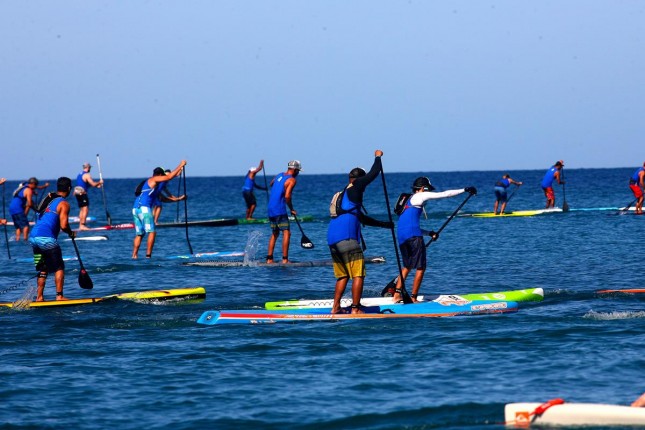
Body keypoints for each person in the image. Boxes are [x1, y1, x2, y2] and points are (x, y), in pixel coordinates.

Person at [327, 150, 393, 314]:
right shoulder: (357, 186)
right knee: (358, 275)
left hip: (332, 238)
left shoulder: (343, 194)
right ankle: (356, 309)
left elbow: (361, 219)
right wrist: (378, 157)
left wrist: (385, 225)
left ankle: (335, 307)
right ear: (358, 179)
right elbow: (374, 173)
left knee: (343, 276)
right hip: (347, 239)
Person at [392, 177, 476, 303]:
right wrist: (464, 190)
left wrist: (429, 233)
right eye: (428, 189)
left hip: (402, 237)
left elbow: (410, 226)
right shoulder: (420, 196)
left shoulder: (408, 201)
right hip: (413, 237)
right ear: (423, 188)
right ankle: (413, 298)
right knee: (421, 268)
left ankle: (397, 295)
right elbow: (445, 194)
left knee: (407, 266)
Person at [28, 177, 75, 301]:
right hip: (46, 238)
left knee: (43, 268)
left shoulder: (47, 199)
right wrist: (71, 233)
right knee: (59, 267)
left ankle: (39, 297)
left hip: (33, 238)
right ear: (69, 188)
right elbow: (64, 225)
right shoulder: (64, 203)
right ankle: (59, 296)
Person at [132, 161, 187, 259]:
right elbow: (169, 177)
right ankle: (148, 257)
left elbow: (163, 199)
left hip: (135, 209)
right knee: (152, 232)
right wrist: (180, 164)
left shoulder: (150, 186)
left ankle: (134, 256)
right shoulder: (155, 178)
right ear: (160, 174)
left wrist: (178, 199)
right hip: (144, 209)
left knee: (140, 234)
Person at [266, 160, 301, 264]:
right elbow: (287, 196)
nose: (298, 173)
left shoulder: (279, 175)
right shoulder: (292, 180)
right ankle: (285, 259)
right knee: (287, 233)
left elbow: (271, 183)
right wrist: (292, 209)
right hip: (279, 209)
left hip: (271, 208)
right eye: (298, 171)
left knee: (275, 233)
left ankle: (269, 259)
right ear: (294, 170)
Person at [74, 162, 103, 230]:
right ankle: (82, 225)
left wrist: (97, 185)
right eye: (90, 167)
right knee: (85, 209)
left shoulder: (79, 174)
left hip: (77, 192)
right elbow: (93, 184)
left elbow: (85, 184)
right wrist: (100, 182)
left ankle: (81, 225)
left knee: (82, 209)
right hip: (82, 193)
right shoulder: (87, 175)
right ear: (88, 167)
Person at [9, 177, 39, 241]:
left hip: (12, 208)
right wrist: (37, 210)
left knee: (18, 227)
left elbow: (29, 202)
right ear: (33, 184)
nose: (36, 187)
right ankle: (25, 240)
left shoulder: (23, 188)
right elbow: (30, 203)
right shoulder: (28, 190)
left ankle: (17, 239)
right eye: (36, 185)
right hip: (18, 208)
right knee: (26, 226)